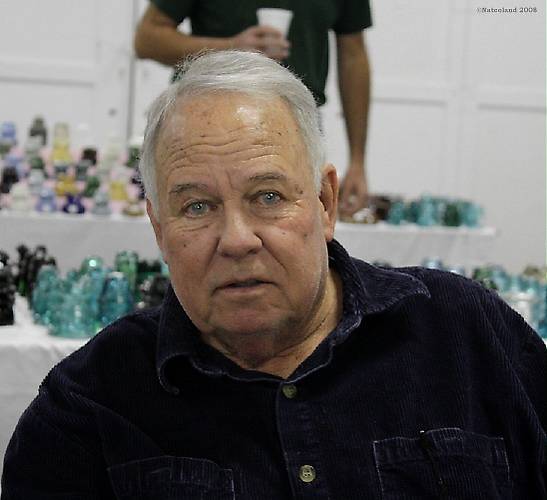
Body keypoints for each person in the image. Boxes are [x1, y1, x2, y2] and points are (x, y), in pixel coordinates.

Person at [2, 50, 546, 499]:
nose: (237, 239)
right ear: (159, 229)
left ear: (325, 203)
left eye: (268, 197)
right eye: (196, 207)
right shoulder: (88, 406)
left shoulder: (466, 334)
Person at [134, 0, 372, 218]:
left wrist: (357, 162)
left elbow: (353, 54)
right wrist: (231, 48)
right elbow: (147, 39)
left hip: (298, 119)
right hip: (205, 120)